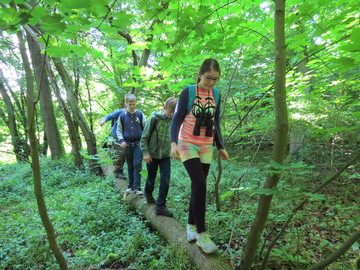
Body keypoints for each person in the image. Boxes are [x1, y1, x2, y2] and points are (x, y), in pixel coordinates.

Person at [170, 59, 229, 254]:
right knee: (201, 183)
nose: (211, 82)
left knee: (198, 185)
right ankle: (202, 233)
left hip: (206, 145)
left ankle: (190, 226)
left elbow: (216, 122)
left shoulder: (217, 94)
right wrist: (173, 144)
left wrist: (220, 146)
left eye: (215, 79)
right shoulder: (189, 91)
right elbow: (177, 118)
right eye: (208, 78)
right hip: (187, 143)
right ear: (199, 74)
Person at [140, 97, 178, 217]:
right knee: (151, 177)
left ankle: (160, 206)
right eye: (170, 112)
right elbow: (144, 137)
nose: (172, 115)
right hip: (152, 154)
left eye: (175, 113)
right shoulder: (154, 118)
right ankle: (148, 193)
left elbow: (177, 137)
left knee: (165, 180)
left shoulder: (174, 121)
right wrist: (145, 153)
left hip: (165, 155)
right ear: (164, 108)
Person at [116, 94, 146, 195]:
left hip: (138, 143)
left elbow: (145, 128)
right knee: (130, 165)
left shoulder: (140, 115)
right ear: (126, 104)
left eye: (134, 104)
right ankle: (131, 185)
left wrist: (144, 141)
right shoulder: (123, 116)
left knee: (137, 164)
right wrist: (121, 140)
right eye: (130, 104)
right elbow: (119, 130)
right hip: (127, 144)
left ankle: (137, 187)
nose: (132, 106)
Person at [100, 107, 126, 180]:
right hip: (116, 135)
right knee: (120, 153)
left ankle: (118, 168)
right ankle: (118, 171)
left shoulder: (134, 113)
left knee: (125, 154)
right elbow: (109, 116)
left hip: (126, 136)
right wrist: (103, 121)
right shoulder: (119, 112)